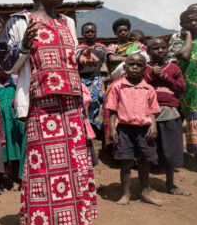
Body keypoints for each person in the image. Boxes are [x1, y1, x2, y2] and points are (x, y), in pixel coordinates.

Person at [0, 0, 97, 225]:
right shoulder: (20, 21)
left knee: (70, 170)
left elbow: (69, 59)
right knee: (42, 172)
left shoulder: (68, 22)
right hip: (42, 106)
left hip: (70, 105)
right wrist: (25, 46)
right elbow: (6, 66)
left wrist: (82, 58)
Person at [106, 53, 162, 206]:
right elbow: (112, 110)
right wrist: (112, 128)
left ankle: (145, 192)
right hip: (124, 129)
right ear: (125, 67)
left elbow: (153, 111)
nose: (135, 67)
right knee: (126, 162)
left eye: (139, 65)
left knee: (145, 161)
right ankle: (125, 194)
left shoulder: (148, 88)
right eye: (131, 64)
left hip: (145, 130)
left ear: (144, 68)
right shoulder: (118, 86)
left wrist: (153, 125)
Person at [143, 38, 188, 196]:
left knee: (170, 150)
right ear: (148, 51)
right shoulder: (143, 68)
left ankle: (170, 184)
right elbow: (139, 86)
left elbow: (182, 88)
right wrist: (151, 76)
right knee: (148, 149)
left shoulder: (173, 68)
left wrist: (164, 76)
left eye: (163, 47)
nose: (161, 50)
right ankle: (145, 185)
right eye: (156, 48)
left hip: (169, 112)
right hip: (148, 113)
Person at [0, 61, 26, 185]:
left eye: (9, 69)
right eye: (3, 70)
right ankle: (4, 176)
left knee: (16, 145)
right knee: (3, 148)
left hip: (14, 119)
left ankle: (17, 175)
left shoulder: (15, 81)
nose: (7, 72)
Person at [171, 8, 197, 155]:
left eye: (196, 19)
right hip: (185, 88)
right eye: (189, 21)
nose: (193, 23)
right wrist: (188, 36)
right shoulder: (178, 37)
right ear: (182, 24)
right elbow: (184, 55)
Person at [77, 22, 107, 139]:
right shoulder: (77, 49)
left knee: (99, 104)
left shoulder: (102, 48)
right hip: (82, 81)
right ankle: (86, 132)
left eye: (92, 31)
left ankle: (98, 134)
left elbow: (103, 62)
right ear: (82, 34)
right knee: (85, 105)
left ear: (96, 33)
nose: (90, 33)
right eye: (87, 32)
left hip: (97, 79)